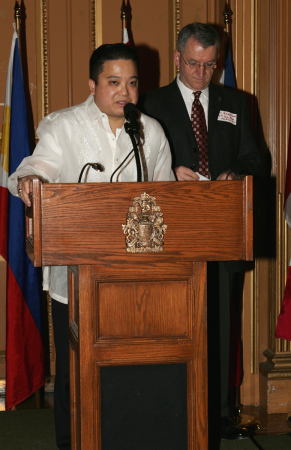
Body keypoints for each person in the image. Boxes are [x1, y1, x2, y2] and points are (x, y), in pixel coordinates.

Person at [8, 43, 175, 450]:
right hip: (77, 275)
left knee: (127, 373)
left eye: (132, 83)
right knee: (75, 374)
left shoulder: (150, 131)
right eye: (114, 82)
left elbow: (166, 196)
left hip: (136, 280)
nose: (125, 92)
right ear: (93, 84)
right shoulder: (62, 125)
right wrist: (31, 180)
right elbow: (35, 167)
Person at [139, 22, 261, 441]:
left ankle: (222, 412)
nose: (201, 73)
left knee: (223, 322)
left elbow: (256, 158)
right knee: (173, 320)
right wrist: (170, 172)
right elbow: (136, 163)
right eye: (193, 64)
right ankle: (173, 406)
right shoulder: (151, 102)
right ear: (178, 59)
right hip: (169, 232)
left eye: (210, 65)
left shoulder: (237, 103)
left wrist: (234, 172)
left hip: (222, 229)